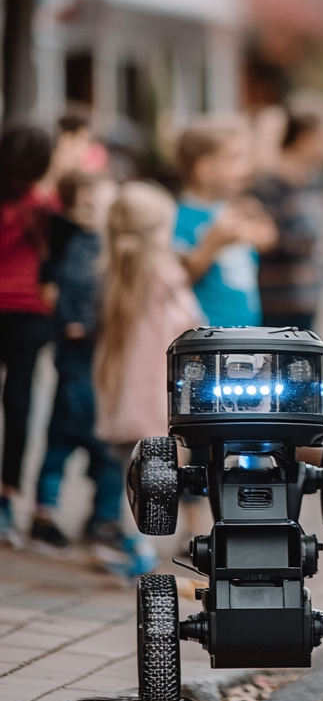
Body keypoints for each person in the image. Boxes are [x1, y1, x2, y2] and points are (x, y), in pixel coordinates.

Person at [93, 181, 203, 576]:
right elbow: (188, 325)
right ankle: (139, 548)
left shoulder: (120, 272)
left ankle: (132, 543)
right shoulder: (164, 275)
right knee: (158, 477)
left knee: (133, 476)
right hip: (158, 398)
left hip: (127, 397)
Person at [31, 170, 123, 552]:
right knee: (105, 448)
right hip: (84, 362)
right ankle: (99, 519)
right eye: (108, 191)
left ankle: (57, 514)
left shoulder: (85, 241)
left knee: (62, 444)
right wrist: (79, 322)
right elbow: (76, 291)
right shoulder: (87, 243)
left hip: (87, 363)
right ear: (87, 197)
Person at [0, 124, 56, 545]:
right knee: (19, 405)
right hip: (30, 313)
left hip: (12, 311)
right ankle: (7, 496)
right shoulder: (44, 204)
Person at [172, 118, 278, 327]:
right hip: (208, 339)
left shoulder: (233, 211)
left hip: (246, 333)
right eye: (234, 159)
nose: (244, 169)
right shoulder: (178, 218)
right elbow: (178, 279)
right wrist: (213, 243)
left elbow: (260, 247)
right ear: (205, 169)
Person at [251, 108, 323, 330]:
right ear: (305, 138)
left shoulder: (316, 181)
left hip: (308, 299)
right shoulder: (266, 188)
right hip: (274, 306)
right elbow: (267, 241)